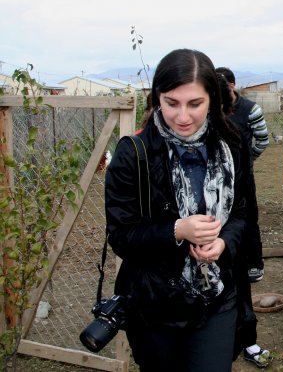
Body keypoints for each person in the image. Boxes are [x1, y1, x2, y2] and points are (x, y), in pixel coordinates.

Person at [106, 49, 254, 371]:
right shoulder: (134, 154)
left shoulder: (232, 144)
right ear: (157, 98)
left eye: (195, 104)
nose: (183, 116)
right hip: (156, 305)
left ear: (212, 99)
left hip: (218, 296)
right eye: (172, 103)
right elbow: (121, 236)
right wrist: (177, 230)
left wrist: (224, 243)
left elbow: (242, 213)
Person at [215, 73, 270, 368]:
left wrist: (233, 233)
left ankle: (248, 341)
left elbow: (243, 195)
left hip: (229, 230)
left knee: (238, 285)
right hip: (191, 238)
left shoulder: (235, 140)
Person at [215, 66, 269, 283]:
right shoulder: (210, 110)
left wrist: (247, 162)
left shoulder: (250, 109)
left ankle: (254, 263)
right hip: (217, 179)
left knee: (248, 217)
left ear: (231, 85)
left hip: (242, 177)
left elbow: (262, 140)